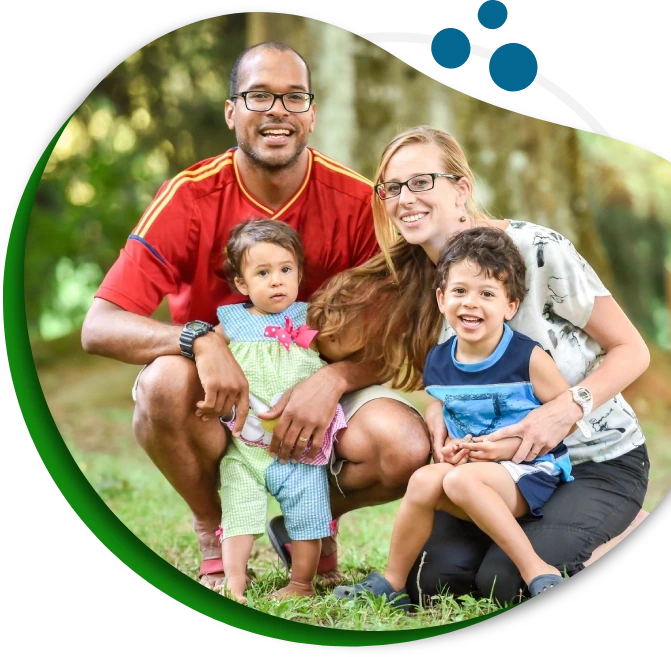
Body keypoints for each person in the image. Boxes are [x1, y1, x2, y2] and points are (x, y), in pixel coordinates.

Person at [80, 42, 431, 592]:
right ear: (231, 112)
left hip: (325, 388)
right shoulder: (191, 197)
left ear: (311, 114)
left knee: (404, 447)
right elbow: (99, 325)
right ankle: (213, 526)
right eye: (259, 96)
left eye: (294, 97)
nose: (277, 111)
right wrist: (201, 341)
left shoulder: (360, 202)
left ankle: (307, 517)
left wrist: (333, 378)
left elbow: (396, 333)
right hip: (221, 388)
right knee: (162, 386)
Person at [308, 125, 650, 605]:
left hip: (591, 460)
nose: (405, 198)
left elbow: (633, 350)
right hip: (492, 469)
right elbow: (444, 380)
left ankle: (617, 528)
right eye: (392, 188)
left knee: (507, 586)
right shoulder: (431, 285)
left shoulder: (537, 250)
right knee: (433, 585)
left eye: (422, 181)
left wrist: (565, 408)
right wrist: (436, 418)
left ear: (461, 189)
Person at [333, 226, 576, 608]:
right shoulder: (439, 360)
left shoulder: (527, 358)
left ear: (510, 305)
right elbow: (445, 406)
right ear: (442, 298)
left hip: (530, 471)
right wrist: (444, 440)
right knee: (424, 479)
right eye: (460, 291)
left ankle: (536, 570)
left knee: (460, 481)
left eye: (487, 294)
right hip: (471, 473)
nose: (471, 304)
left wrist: (504, 449)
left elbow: (566, 417)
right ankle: (391, 581)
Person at [214, 219, 347, 602]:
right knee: (239, 509)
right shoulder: (232, 322)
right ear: (242, 284)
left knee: (309, 513)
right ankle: (234, 583)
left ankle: (301, 584)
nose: (276, 281)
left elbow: (343, 355)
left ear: (299, 274)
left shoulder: (312, 316)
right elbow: (209, 355)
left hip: (301, 446)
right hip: (246, 446)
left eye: (285, 270)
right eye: (263, 272)